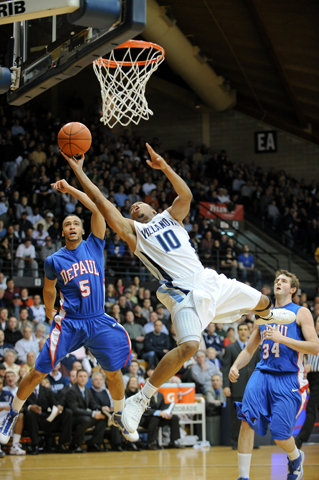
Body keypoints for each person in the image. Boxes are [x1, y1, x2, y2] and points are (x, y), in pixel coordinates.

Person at [61, 143, 296, 435]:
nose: (135, 206)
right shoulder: (135, 234)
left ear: (153, 207)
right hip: (184, 294)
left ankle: (267, 317)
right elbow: (102, 203)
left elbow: (186, 195)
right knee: (190, 346)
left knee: (263, 301)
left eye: (140, 204)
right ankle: (141, 398)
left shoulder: (171, 216)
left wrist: (164, 167)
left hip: (211, 282)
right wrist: (79, 171)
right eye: (131, 208)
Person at [0, 179, 137, 446]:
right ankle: (12, 413)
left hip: (98, 320)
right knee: (37, 372)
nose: (71, 226)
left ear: (82, 229)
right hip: (71, 323)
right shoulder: (54, 260)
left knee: (113, 373)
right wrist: (50, 311)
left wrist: (71, 189)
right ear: (62, 232)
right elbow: (49, 291)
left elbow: (98, 206)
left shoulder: (95, 244)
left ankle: (119, 415)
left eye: (75, 223)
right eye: (67, 224)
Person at [229, 270, 319, 480]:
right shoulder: (263, 314)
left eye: (284, 281)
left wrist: (282, 338)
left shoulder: (301, 312)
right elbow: (249, 350)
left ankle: (295, 457)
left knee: (280, 434)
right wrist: (236, 366)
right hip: (262, 373)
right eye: (277, 280)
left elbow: (315, 347)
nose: (278, 282)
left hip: (288, 377)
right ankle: (243, 477)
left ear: (293, 289)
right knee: (246, 419)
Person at [222, 322, 260, 450]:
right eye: (241, 329)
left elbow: (259, 367)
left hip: (253, 387)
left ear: (249, 331)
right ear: (238, 332)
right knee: (236, 416)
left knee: (252, 415)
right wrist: (226, 386)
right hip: (236, 385)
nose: (243, 331)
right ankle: (234, 441)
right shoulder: (230, 348)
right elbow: (226, 368)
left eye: (245, 329)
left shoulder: (256, 347)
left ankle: (251, 442)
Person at [294, 315, 319, 449]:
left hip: (317, 375)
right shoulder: (311, 337)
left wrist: (310, 366)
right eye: (318, 321)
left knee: (311, 408)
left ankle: (300, 440)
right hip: (311, 377)